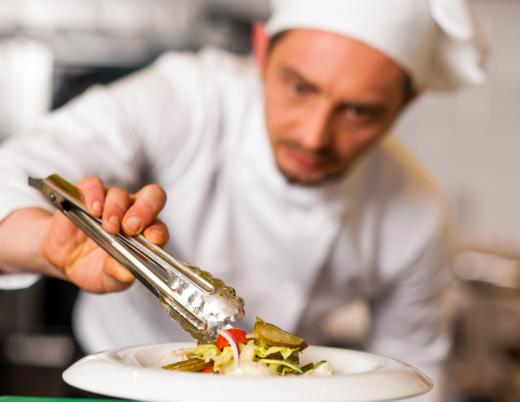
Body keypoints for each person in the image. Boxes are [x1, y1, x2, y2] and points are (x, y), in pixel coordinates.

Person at [0, 0, 486, 400]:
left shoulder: (416, 213)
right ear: (260, 51)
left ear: (408, 102)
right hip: (114, 385)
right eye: (300, 87)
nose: (315, 136)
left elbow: (415, 378)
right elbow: (19, 170)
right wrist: (48, 243)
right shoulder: (186, 99)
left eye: (359, 111)